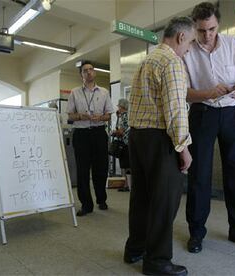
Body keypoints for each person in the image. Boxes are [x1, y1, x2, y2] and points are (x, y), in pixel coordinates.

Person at [183, 2, 235, 254]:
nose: (207, 35)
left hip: (231, 113)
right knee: (199, 175)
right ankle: (196, 233)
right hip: (202, 113)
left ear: (218, 24)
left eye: (212, 29)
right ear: (194, 28)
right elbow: (184, 93)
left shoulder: (232, 44)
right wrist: (208, 92)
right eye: (201, 30)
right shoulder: (187, 51)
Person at [124, 17, 194, 276]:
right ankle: (157, 261)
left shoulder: (146, 61)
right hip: (160, 139)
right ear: (181, 37)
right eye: (190, 43)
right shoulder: (172, 62)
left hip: (138, 137)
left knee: (141, 198)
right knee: (164, 202)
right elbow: (176, 110)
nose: (189, 49)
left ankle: (134, 249)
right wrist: (183, 148)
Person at [67, 61, 114, 216]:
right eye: (85, 70)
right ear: (81, 74)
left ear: (94, 72)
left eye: (91, 70)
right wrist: (81, 116)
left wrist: (100, 117)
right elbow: (70, 115)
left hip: (99, 132)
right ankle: (86, 204)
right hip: (81, 134)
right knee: (83, 170)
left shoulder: (104, 92)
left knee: (101, 168)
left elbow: (109, 115)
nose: (88, 72)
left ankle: (101, 199)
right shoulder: (74, 92)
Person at [112, 98, 131, 192]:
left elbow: (121, 131)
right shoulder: (127, 115)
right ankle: (127, 184)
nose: (118, 108)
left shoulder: (124, 116)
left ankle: (126, 185)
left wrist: (114, 132)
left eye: (118, 106)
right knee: (126, 165)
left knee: (125, 165)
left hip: (124, 144)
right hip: (128, 143)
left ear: (122, 106)